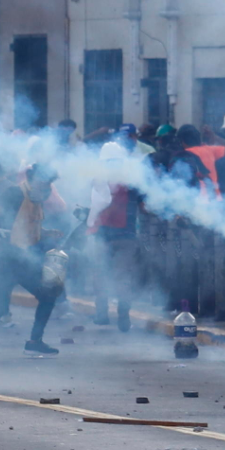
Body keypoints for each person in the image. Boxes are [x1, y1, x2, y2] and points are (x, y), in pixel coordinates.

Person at [0, 163, 67, 359]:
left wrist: (48, 233)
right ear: (33, 179)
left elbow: (30, 231)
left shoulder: (35, 199)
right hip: (2, 262)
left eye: (49, 184)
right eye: (44, 183)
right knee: (0, 306)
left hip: (21, 261)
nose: (47, 188)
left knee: (49, 295)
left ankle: (34, 343)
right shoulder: (14, 193)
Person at [89, 142, 142, 331]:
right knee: (123, 277)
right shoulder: (133, 181)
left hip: (102, 235)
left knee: (101, 275)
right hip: (126, 236)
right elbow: (144, 206)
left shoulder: (97, 180)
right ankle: (123, 317)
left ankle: (102, 314)